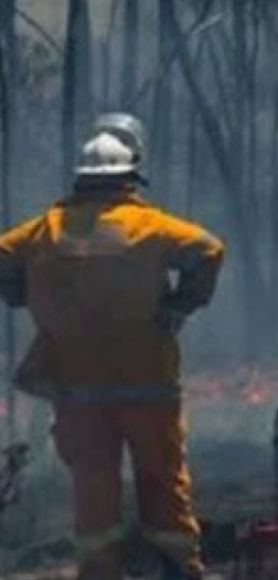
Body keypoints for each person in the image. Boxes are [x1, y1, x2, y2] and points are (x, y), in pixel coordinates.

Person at [0, 113, 225, 579]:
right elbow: (209, 249)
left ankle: (101, 573)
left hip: (79, 392)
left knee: (93, 494)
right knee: (163, 484)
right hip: (149, 384)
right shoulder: (150, 226)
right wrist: (180, 305)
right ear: (129, 178)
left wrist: (20, 292)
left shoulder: (45, 229)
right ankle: (179, 570)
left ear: (82, 179)